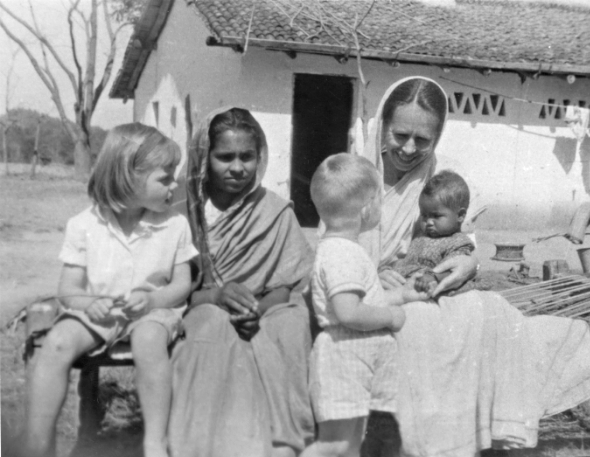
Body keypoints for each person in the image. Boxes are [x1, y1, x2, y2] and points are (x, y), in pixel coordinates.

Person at [357, 76, 590, 457]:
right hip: (374, 294)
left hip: (431, 290)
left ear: (439, 137)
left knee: (493, 313)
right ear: (382, 125)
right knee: (418, 332)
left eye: (423, 140)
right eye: (400, 135)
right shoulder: (354, 177)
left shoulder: (444, 178)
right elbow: (337, 253)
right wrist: (373, 270)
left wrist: (467, 261)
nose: (409, 148)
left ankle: (474, 433)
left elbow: (464, 243)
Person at [22, 123, 197, 457]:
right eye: (165, 178)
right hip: (102, 312)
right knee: (57, 342)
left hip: (154, 312)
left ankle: (154, 441)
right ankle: (37, 443)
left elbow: (182, 284)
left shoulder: (174, 224)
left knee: (148, 340)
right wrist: (90, 304)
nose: (174, 185)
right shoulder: (84, 225)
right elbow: (68, 290)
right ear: (127, 177)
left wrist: (152, 299)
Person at [167, 107, 315, 457]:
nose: (237, 167)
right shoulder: (182, 211)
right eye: (225, 157)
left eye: (247, 156)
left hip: (266, 307)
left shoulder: (276, 211)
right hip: (202, 304)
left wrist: (256, 309)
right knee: (209, 330)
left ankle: (281, 443)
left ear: (259, 157)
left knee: (290, 325)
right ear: (204, 157)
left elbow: (286, 282)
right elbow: (174, 288)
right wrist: (216, 296)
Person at [302, 153, 427, 457]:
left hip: (354, 361)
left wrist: (401, 297)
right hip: (345, 360)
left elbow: (361, 300)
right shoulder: (343, 253)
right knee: (336, 444)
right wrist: (391, 316)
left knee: (348, 445)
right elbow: (348, 312)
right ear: (368, 207)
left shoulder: (343, 249)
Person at [394, 169, 475, 297]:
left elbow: (452, 271)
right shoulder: (420, 234)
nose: (428, 222)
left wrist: (434, 278)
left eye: (436, 216)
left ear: (460, 215)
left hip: (429, 288)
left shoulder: (458, 242)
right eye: (424, 215)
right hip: (403, 283)